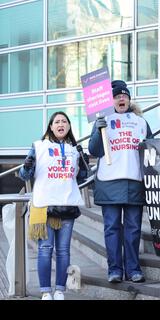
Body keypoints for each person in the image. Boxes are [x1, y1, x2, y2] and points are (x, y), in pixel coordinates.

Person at [88, 80, 153, 283]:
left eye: (124, 95)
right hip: (109, 182)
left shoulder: (140, 121)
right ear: (111, 100)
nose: (121, 98)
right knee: (112, 228)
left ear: (129, 99)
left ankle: (133, 269)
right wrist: (99, 131)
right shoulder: (103, 120)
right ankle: (115, 270)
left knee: (133, 229)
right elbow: (94, 150)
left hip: (134, 181)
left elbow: (151, 149)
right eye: (117, 96)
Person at [19, 111, 87, 300]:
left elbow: (80, 178)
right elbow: (25, 176)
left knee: (64, 250)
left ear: (68, 126)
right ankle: (45, 291)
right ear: (50, 126)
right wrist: (27, 165)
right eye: (57, 121)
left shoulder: (75, 149)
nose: (61, 124)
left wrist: (84, 163)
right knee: (45, 249)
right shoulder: (39, 146)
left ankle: (59, 290)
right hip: (45, 206)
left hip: (66, 204)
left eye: (64, 121)